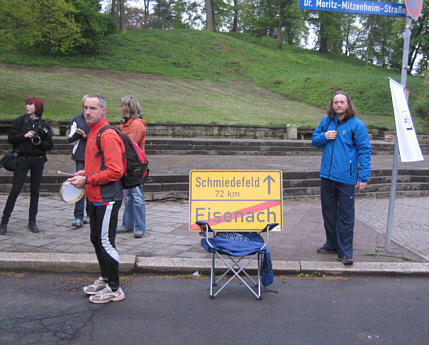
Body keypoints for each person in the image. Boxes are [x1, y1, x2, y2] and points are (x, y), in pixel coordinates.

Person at [68, 94, 126, 303]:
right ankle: (106, 277)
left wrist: (87, 180)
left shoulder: (107, 134)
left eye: (93, 108)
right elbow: (98, 165)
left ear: (103, 111)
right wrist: (85, 172)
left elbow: (115, 171)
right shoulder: (92, 132)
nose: (88, 112)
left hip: (107, 198)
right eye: (85, 107)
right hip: (95, 197)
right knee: (96, 239)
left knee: (105, 242)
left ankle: (115, 288)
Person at [311, 91, 371, 265]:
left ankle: (345, 252)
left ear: (348, 105)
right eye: (335, 102)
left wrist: (363, 176)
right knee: (329, 213)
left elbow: (365, 151)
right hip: (327, 177)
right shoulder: (326, 121)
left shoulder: (357, 125)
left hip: (346, 178)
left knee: (346, 216)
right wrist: (325, 136)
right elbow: (315, 140)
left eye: (342, 102)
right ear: (332, 105)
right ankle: (332, 244)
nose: (338, 105)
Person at [0, 97, 53, 235]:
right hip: (22, 159)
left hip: (38, 160)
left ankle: (32, 221)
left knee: (35, 191)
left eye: (31, 104)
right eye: (27, 104)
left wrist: (40, 142)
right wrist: (25, 135)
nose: (27, 106)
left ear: (38, 107)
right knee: (15, 189)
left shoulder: (44, 125)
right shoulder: (20, 121)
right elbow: (11, 139)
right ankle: (4, 222)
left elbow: (49, 145)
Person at [116, 95, 148, 238]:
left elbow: (128, 144)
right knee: (128, 196)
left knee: (136, 196)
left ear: (129, 108)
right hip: (125, 164)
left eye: (123, 106)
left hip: (134, 166)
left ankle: (140, 226)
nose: (121, 108)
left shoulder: (136, 125)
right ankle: (127, 224)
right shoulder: (125, 125)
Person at [67, 95, 90, 228]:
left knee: (92, 185)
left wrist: (85, 136)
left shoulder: (95, 120)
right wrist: (78, 134)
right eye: (85, 107)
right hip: (80, 156)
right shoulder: (77, 119)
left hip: (93, 156)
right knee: (79, 185)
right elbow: (70, 138)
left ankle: (90, 214)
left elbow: (97, 139)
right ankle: (78, 216)